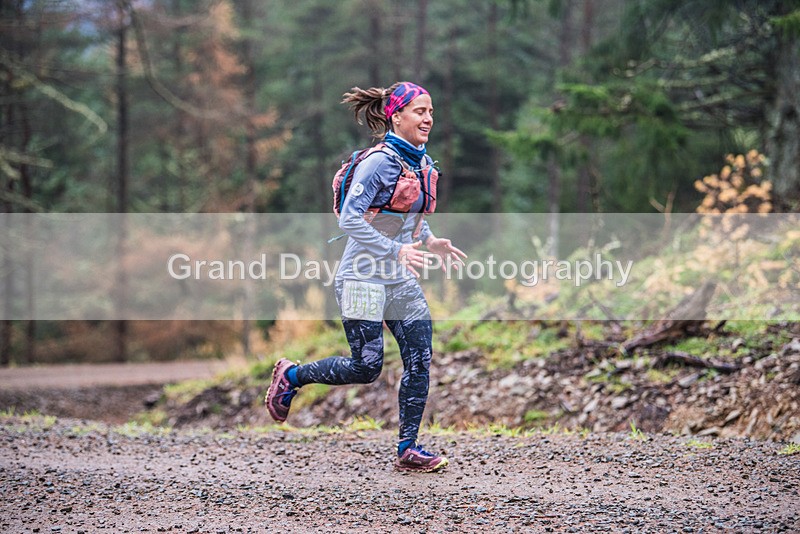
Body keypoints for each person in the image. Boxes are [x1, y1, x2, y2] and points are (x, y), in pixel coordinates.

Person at [265, 81, 466, 473]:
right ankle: (291, 375)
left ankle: (408, 448)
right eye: (419, 111)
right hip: (361, 277)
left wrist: (429, 239)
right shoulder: (380, 161)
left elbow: (407, 214)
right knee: (366, 366)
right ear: (396, 115)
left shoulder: (422, 161)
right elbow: (350, 218)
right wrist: (396, 250)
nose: (428, 118)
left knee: (420, 358)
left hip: (399, 279)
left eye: (430, 111)